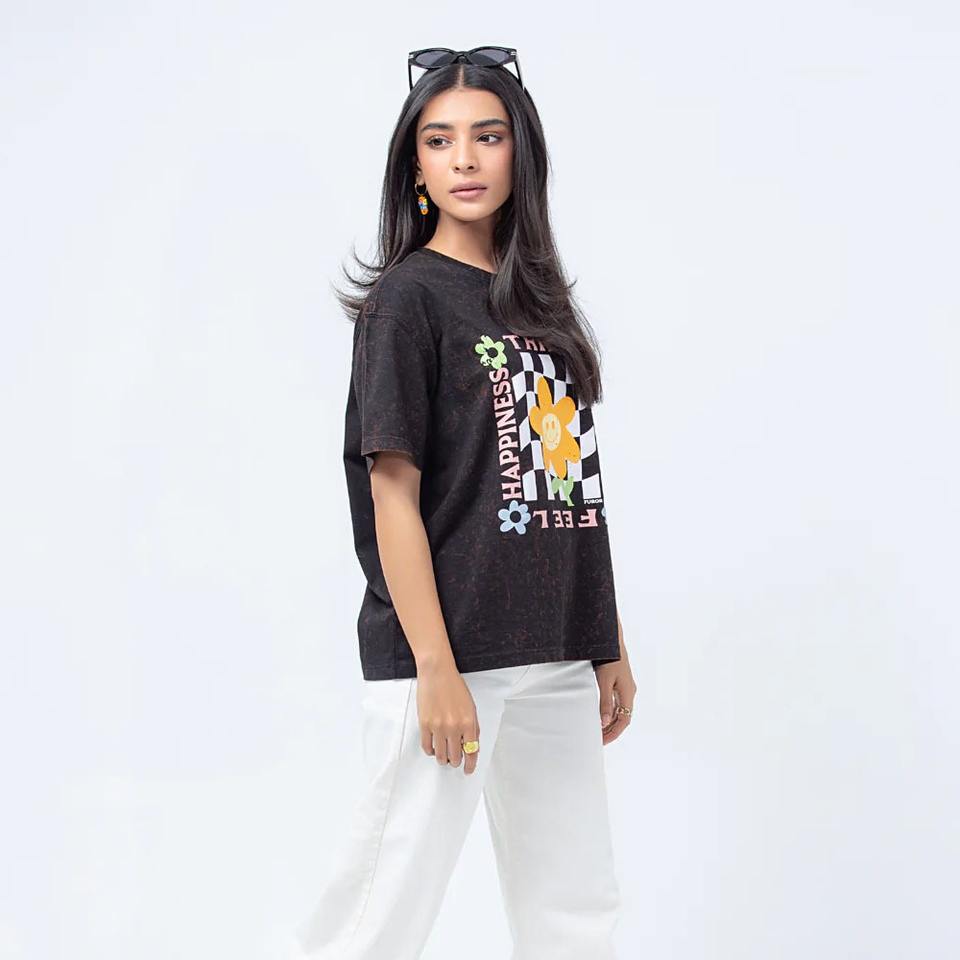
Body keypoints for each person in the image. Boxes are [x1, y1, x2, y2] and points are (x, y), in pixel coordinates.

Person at [293, 46, 637, 960]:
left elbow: (571, 488)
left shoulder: (542, 305)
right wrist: (435, 667)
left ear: (521, 152)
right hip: (450, 657)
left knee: (575, 907)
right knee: (380, 910)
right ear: (415, 166)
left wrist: (604, 638)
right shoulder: (407, 302)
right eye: (440, 141)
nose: (466, 159)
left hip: (555, 652)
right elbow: (391, 495)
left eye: (487, 136)